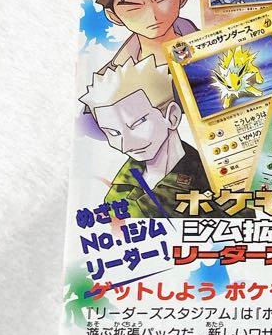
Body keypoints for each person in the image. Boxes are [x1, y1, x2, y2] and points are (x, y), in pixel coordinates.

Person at [80, 54, 212, 219]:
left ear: (172, 117)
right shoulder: (121, 186)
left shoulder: (211, 182)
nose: (125, 146)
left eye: (137, 124)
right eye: (113, 132)